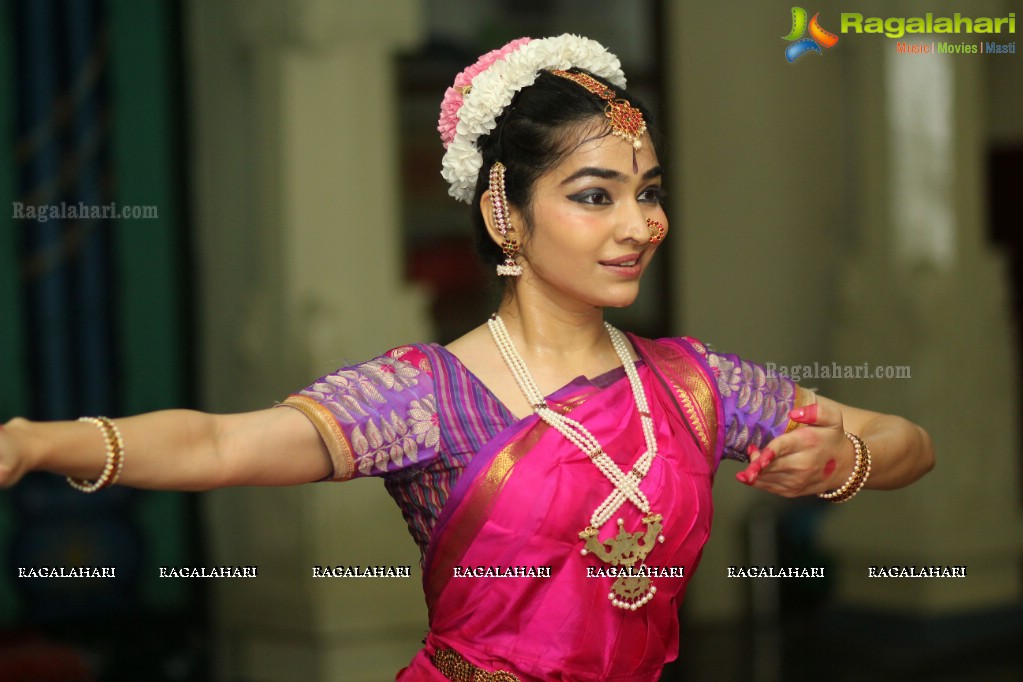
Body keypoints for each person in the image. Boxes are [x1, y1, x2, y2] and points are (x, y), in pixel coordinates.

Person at [0, 34, 933, 681]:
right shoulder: (427, 397)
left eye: (647, 193)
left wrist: (844, 461)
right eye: (594, 196)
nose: (639, 225)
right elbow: (217, 445)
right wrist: (35, 444)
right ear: (504, 213)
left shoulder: (695, 385)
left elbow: (907, 441)